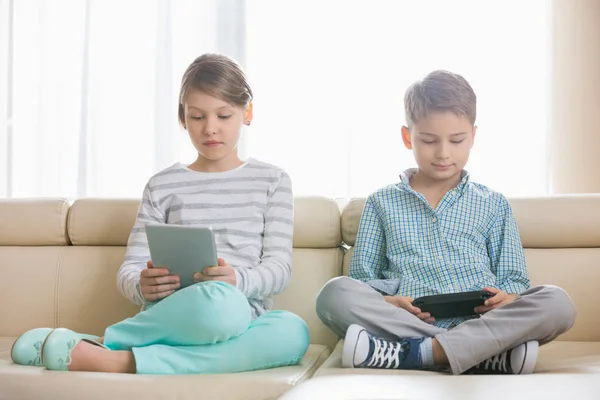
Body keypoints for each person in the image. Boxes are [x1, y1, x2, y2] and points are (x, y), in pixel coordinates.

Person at [11, 53, 309, 374]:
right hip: (182, 315)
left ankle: (110, 350)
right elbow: (130, 271)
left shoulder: (273, 181)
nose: (210, 129)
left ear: (246, 112)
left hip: (245, 319)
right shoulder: (163, 185)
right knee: (222, 307)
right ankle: (113, 348)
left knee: (294, 331)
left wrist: (238, 280)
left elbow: (279, 268)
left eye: (223, 115)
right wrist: (142, 286)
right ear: (182, 118)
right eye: (197, 117)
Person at [315, 70, 577, 375]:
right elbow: (363, 280)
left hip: (482, 321)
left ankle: (418, 354)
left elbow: (514, 280)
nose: (443, 153)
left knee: (558, 302)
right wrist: (390, 301)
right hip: (408, 322)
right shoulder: (380, 203)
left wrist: (506, 298)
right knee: (332, 295)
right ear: (406, 136)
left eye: (456, 140)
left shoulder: (493, 203)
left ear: (473, 137)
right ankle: (481, 355)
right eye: (428, 141)